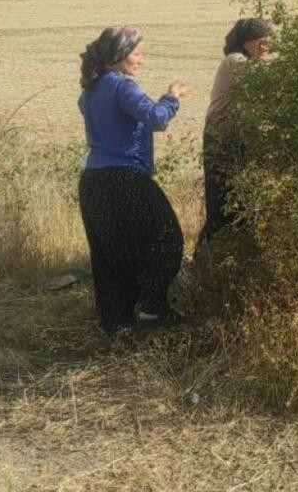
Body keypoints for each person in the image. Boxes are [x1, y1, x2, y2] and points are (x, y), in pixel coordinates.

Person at [77, 25, 188, 337]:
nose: (141, 60)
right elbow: (157, 117)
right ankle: (152, 310)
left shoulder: (90, 89)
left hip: (93, 181)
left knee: (111, 254)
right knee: (167, 240)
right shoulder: (120, 85)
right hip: (125, 178)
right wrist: (172, 97)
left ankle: (117, 325)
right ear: (118, 55)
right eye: (137, 54)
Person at [196, 17, 274, 254]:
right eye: (261, 41)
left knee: (240, 202)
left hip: (236, 140)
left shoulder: (246, 62)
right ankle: (206, 259)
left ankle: (229, 259)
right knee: (222, 202)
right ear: (246, 41)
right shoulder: (235, 61)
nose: (266, 46)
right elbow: (268, 80)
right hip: (221, 140)